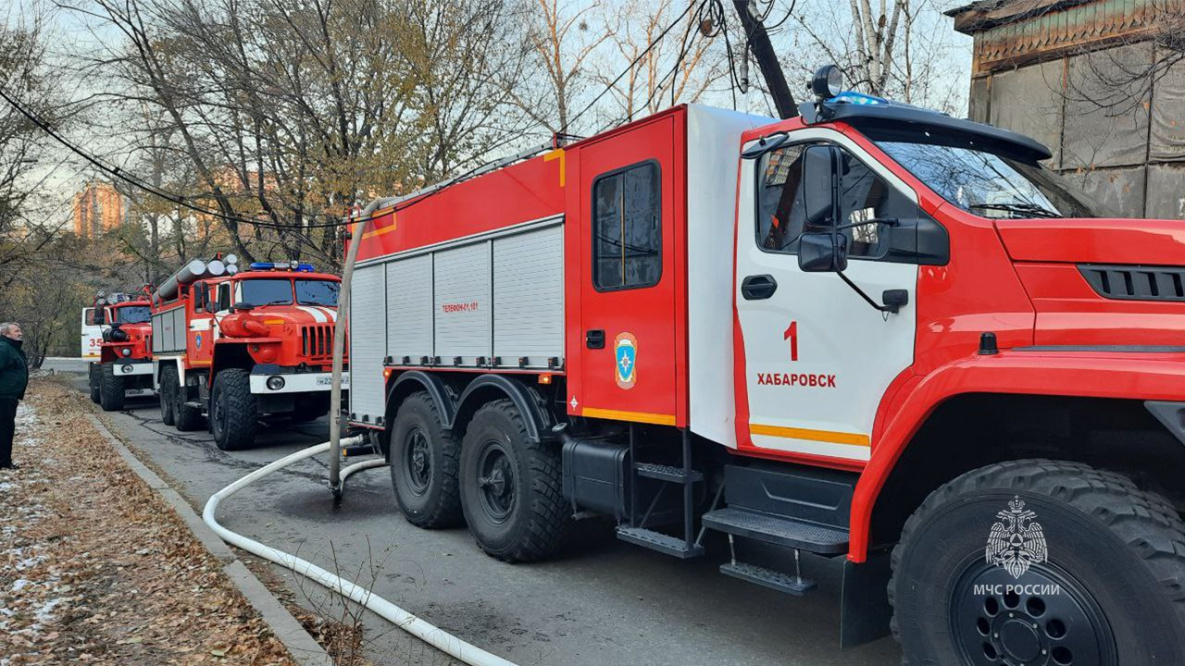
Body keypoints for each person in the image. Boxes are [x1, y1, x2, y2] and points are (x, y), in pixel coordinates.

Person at [0, 322, 28, 470]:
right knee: (5, 429)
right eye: (16, 331)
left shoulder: (12, 348)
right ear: (6, 334)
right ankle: (4, 462)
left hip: (9, 396)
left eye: (19, 330)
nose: (20, 333)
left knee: (6, 429)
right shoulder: (4, 348)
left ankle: (4, 461)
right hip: (3, 396)